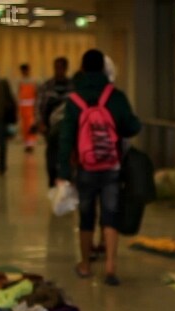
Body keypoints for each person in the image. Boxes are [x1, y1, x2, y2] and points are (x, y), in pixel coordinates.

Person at [57, 49, 141, 286]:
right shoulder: (115, 96)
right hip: (111, 166)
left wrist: (63, 173)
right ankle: (111, 267)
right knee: (110, 215)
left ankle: (85, 265)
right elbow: (133, 127)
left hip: (85, 167)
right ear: (104, 69)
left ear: (82, 69)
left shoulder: (75, 100)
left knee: (86, 216)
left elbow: (66, 137)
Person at [36, 57, 73, 187]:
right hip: (50, 128)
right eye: (56, 67)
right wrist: (40, 122)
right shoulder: (46, 86)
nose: (58, 70)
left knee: (66, 154)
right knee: (52, 154)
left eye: (61, 68)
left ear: (65, 68)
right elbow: (39, 105)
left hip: (69, 127)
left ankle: (64, 180)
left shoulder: (72, 86)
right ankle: (52, 179)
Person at [17, 64, 38, 153]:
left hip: (31, 106)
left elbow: (36, 94)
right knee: (24, 126)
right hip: (23, 107)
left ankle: (31, 144)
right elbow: (19, 94)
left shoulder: (33, 81)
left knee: (31, 125)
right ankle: (26, 144)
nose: (24, 72)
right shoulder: (20, 81)